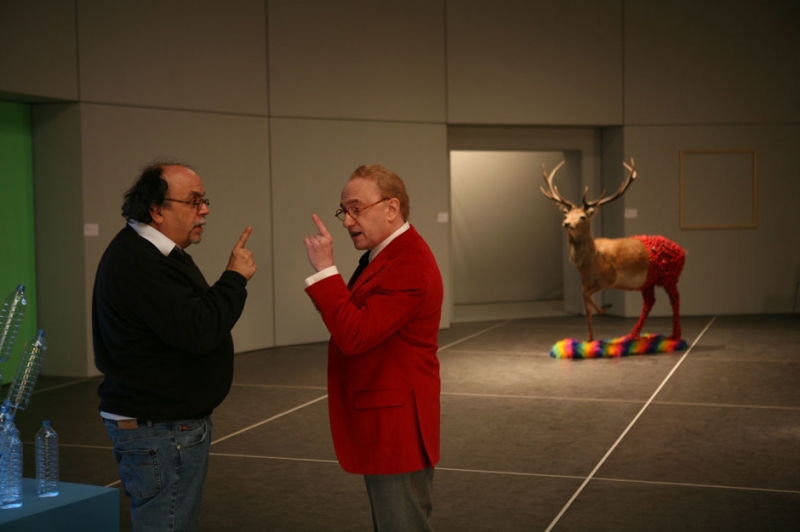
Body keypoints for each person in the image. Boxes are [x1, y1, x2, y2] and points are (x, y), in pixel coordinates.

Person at [92, 162, 256, 531]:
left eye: (204, 200)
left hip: (162, 427)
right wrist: (234, 278)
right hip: (161, 430)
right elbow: (200, 330)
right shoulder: (142, 262)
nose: (205, 210)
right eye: (194, 201)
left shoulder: (152, 254)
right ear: (157, 210)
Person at [303, 164, 443, 531]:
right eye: (344, 211)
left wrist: (325, 270)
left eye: (356, 209)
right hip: (388, 417)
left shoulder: (408, 263)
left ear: (391, 208)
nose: (347, 221)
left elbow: (355, 335)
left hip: (396, 425)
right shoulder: (386, 255)